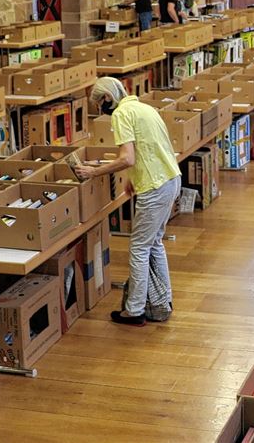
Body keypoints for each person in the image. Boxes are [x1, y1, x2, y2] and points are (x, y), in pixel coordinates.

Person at [75, 77, 181, 326]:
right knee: (154, 244)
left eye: (100, 105)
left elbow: (127, 158)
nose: (101, 111)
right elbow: (150, 149)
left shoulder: (121, 114)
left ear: (107, 98)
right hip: (170, 178)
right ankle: (162, 301)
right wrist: (132, 176)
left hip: (154, 186)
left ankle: (134, 311)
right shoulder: (145, 108)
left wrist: (94, 172)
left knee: (139, 248)